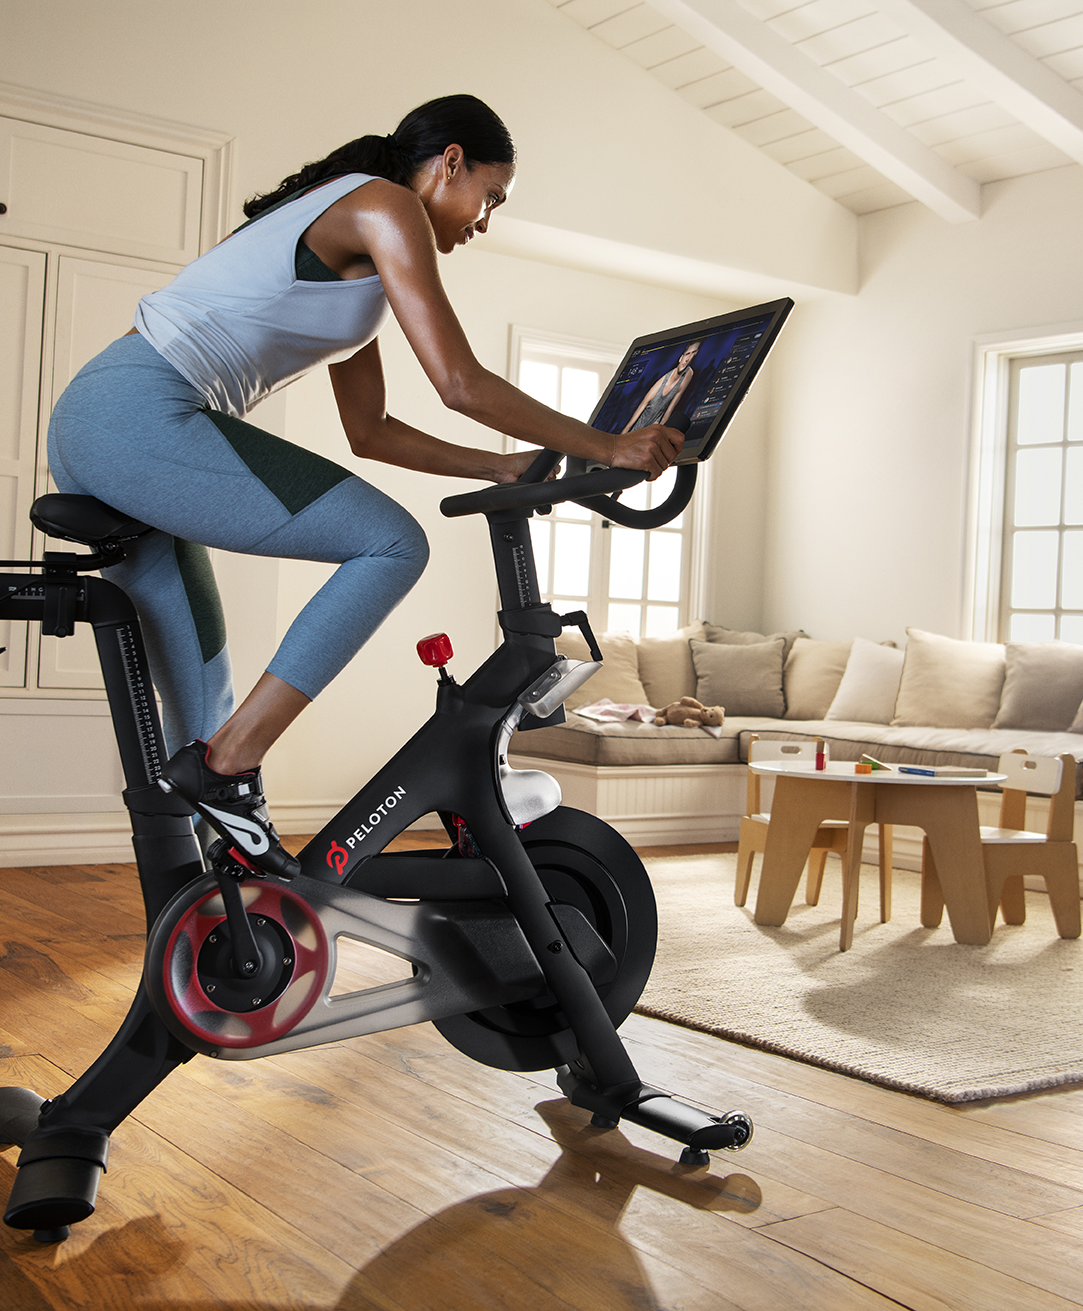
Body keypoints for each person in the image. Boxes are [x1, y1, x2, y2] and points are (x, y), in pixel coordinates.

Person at [46, 94, 685, 875]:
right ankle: (233, 763)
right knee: (390, 543)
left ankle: (222, 913)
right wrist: (609, 445)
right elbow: (458, 381)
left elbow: (370, 430)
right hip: (137, 415)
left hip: (106, 421)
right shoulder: (384, 208)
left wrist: (499, 465)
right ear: (450, 162)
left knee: (201, 705)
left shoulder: (359, 246)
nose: (484, 220)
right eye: (489, 196)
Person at [621, 339, 698, 433]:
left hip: (653, 434)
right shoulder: (659, 384)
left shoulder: (688, 374)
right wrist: (622, 436)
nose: (688, 358)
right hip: (637, 432)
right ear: (680, 358)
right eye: (687, 354)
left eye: (693, 354)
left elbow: (669, 410)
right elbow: (641, 408)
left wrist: (659, 435)